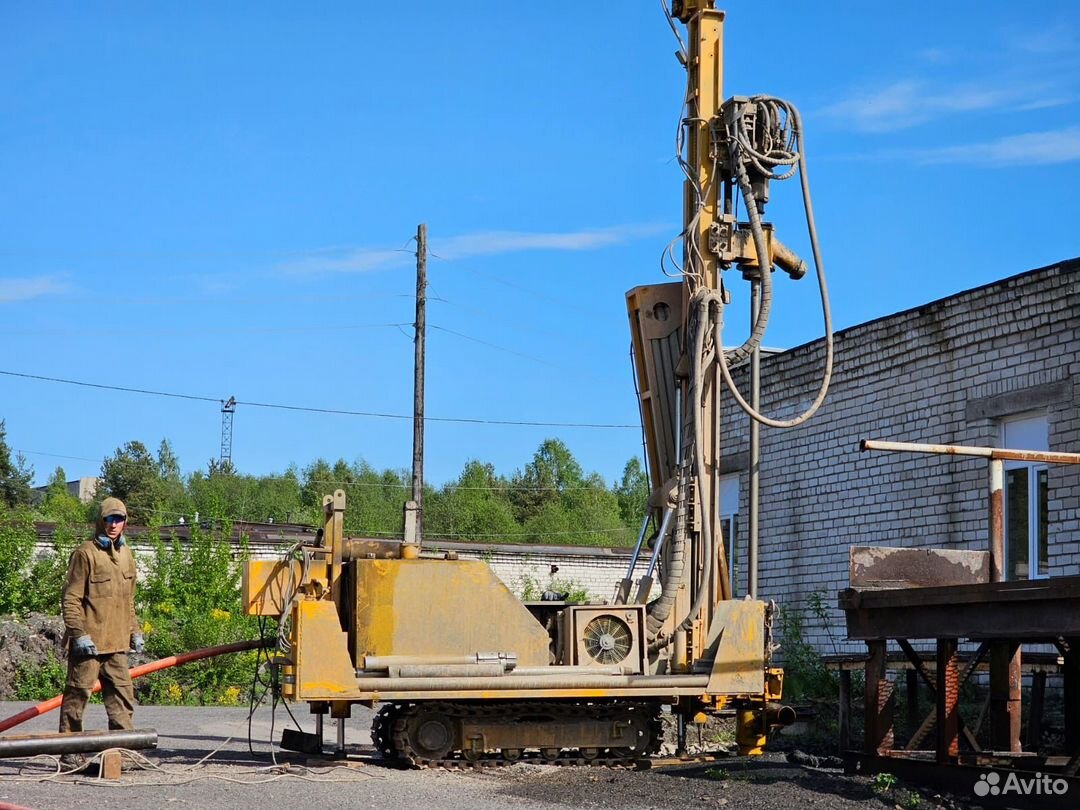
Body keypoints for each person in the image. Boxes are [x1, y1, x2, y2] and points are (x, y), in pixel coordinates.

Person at [59, 497, 143, 762]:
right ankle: (70, 752)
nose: (114, 524)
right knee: (77, 695)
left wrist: (135, 630)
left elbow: (128, 600)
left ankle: (123, 753)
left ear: (125, 523)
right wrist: (78, 634)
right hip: (89, 643)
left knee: (122, 698)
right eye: (109, 519)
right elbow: (71, 599)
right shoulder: (85, 553)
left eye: (119, 519)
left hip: (117, 643)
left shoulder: (126, 555)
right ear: (100, 521)